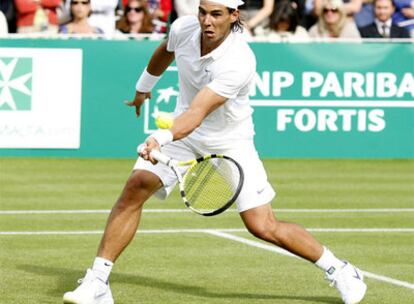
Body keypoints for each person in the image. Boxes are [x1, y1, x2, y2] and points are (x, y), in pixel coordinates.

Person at [62, 1, 368, 304]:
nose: (207, 21)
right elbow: (165, 52)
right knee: (134, 188)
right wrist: (144, 86)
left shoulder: (239, 60)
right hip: (184, 135)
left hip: (229, 142)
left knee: (262, 225)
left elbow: (198, 112)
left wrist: (160, 136)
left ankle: (339, 269)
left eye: (216, 15)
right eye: (203, 12)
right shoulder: (184, 27)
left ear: (234, 15)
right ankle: (98, 282)